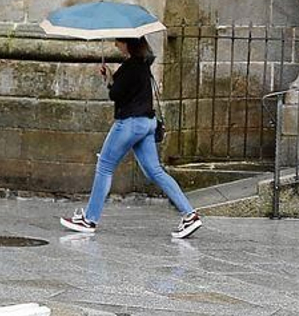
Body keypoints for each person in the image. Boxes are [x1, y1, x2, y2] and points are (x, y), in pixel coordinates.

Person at [60, 36, 203, 239]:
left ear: (128, 43)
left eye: (119, 41)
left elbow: (116, 94)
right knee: (155, 171)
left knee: (105, 166)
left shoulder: (130, 66)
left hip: (129, 123)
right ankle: (190, 214)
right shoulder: (144, 63)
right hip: (147, 123)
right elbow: (128, 92)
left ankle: (89, 219)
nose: (115, 44)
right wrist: (112, 77)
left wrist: (109, 79)